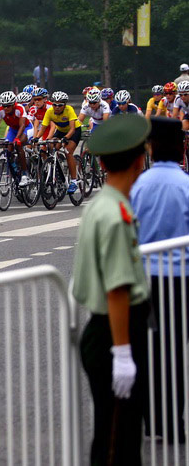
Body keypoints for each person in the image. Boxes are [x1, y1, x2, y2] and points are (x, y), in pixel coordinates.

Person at [72, 114, 151, 466]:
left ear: (101, 163)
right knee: (121, 438)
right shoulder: (117, 214)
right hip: (114, 332)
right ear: (140, 160)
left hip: (101, 331)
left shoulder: (99, 205)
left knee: (108, 431)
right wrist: (122, 353)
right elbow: (118, 290)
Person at [131, 116, 189, 444]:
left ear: (150, 148)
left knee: (149, 350)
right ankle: (174, 424)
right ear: (181, 148)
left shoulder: (139, 185)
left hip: (146, 280)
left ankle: (152, 419)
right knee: (176, 353)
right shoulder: (185, 185)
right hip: (181, 281)